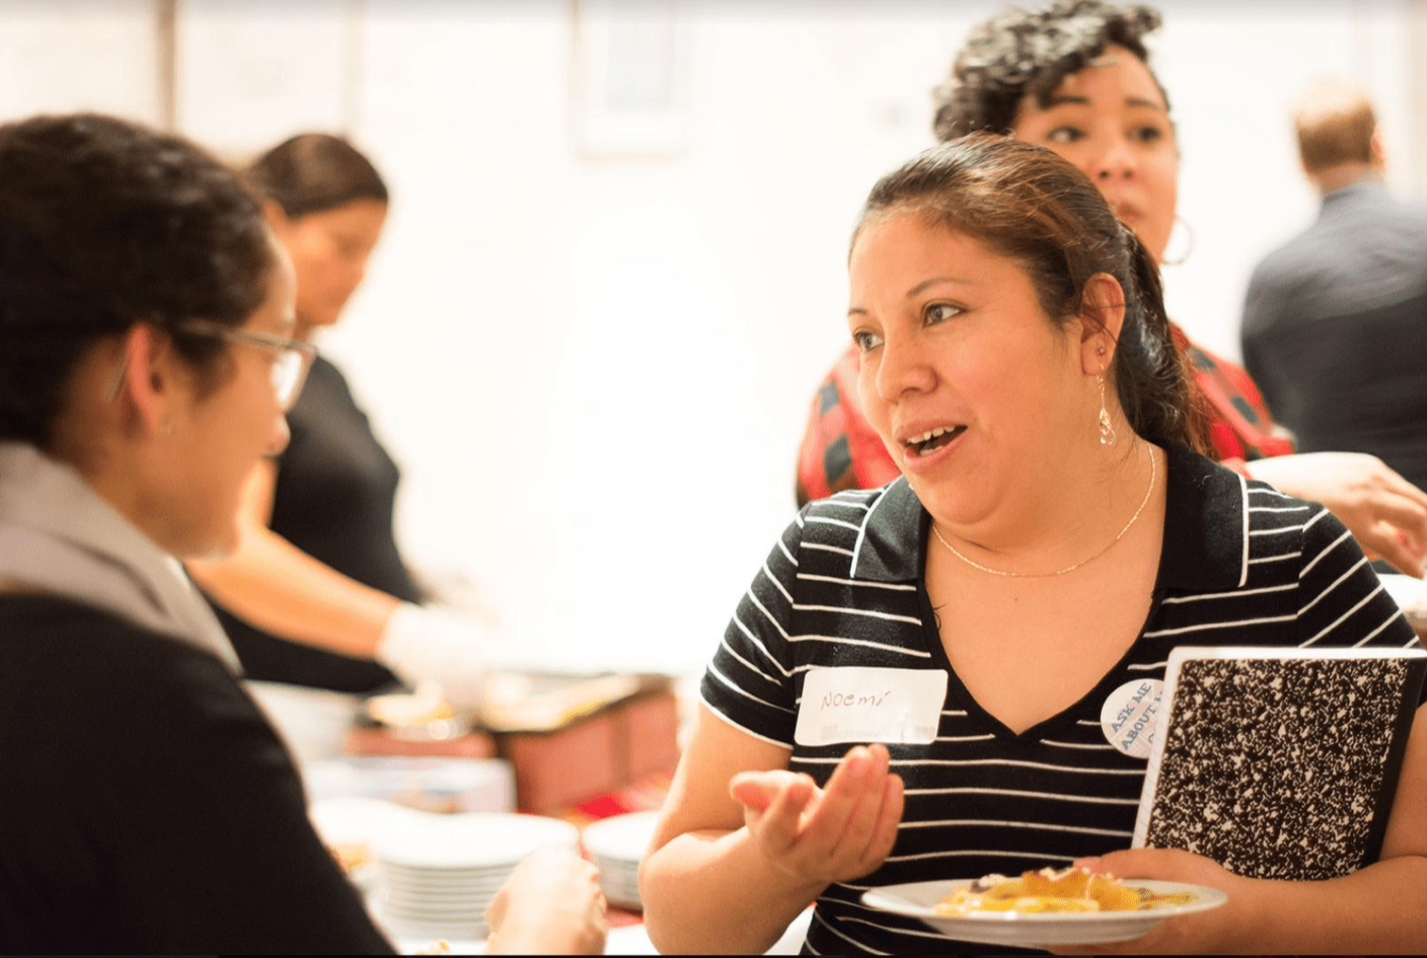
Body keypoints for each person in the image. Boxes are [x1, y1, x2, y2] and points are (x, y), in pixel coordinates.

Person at [639, 133, 1427, 955]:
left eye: (938, 313)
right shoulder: (823, 565)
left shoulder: (1275, 566)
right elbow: (679, 919)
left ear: (1093, 324)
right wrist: (775, 864)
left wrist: (1244, 921)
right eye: (868, 335)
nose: (891, 374)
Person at [0, 112, 605, 955]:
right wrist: (539, 936)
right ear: (156, 372)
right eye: (267, 353)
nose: (275, 429)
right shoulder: (149, 717)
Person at [794, 0, 1427, 580]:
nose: (1119, 159)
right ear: (980, 173)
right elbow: (896, 579)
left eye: (1147, 132)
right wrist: (1264, 495)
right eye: (1069, 131)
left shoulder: (1220, 383)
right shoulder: (880, 391)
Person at [186, 133, 491, 702]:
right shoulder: (239, 369)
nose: (360, 274)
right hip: (289, 700)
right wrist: (400, 630)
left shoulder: (321, 377)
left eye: (371, 252)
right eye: (345, 247)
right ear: (273, 225)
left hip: (364, 704)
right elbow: (226, 550)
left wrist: (414, 586)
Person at [1240, 81, 1427, 494]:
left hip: (1354, 534)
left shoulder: (1270, 279)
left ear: (1304, 163)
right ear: (1378, 145)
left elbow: (1267, 405)